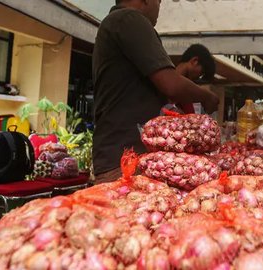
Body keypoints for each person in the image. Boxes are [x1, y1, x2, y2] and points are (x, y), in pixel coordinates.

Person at [92, 0, 219, 183]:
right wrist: (206, 96)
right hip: (125, 159)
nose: (159, 6)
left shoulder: (116, 22)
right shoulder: (129, 19)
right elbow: (171, 85)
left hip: (120, 155)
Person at [175, 44, 216, 114]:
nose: (199, 77)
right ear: (195, 61)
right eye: (202, 72)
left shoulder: (187, 95)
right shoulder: (167, 84)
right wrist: (207, 96)